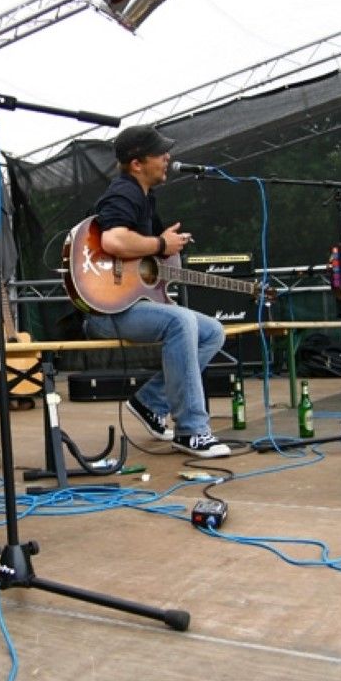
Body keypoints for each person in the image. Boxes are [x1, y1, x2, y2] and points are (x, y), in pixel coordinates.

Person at [83, 125, 232, 458]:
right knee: (181, 321)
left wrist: (167, 248)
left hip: (131, 303)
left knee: (213, 332)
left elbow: (151, 258)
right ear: (137, 163)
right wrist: (162, 244)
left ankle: (150, 402)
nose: (168, 157)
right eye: (160, 153)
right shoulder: (125, 192)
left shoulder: (145, 198)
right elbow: (113, 240)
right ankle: (192, 431)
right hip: (107, 310)